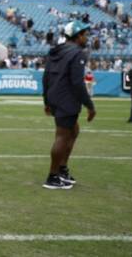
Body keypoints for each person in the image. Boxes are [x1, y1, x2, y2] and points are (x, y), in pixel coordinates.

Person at [42, 21, 96, 189]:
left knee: (73, 131)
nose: (86, 38)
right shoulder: (77, 53)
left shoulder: (55, 51)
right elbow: (77, 83)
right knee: (63, 136)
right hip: (67, 98)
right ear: (77, 35)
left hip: (55, 97)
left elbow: (46, 77)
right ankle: (52, 176)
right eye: (84, 35)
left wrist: (47, 101)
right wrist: (90, 105)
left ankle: (62, 169)